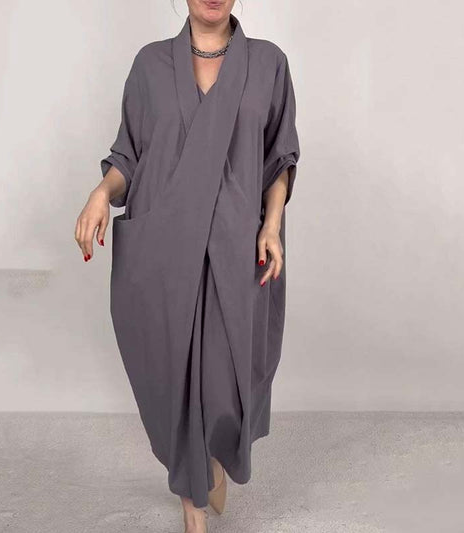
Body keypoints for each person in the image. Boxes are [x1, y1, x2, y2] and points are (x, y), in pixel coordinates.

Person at [74, 1, 300, 531]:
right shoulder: (150, 65)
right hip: (167, 249)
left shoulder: (269, 63)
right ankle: (191, 507)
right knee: (175, 379)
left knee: (227, 386)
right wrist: (101, 193)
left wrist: (271, 225)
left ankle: (210, 463)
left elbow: (279, 157)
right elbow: (128, 156)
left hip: (236, 247)